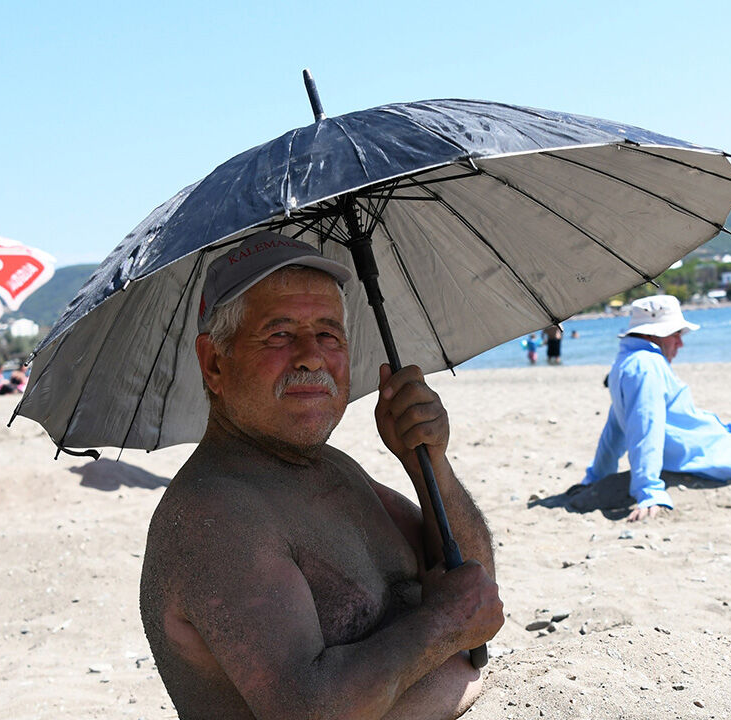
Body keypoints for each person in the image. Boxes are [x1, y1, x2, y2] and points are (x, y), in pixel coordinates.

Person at [140, 232, 503, 720]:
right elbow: (306, 709)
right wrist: (444, 624)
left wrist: (427, 464)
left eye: (329, 334)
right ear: (214, 363)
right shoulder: (214, 513)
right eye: (280, 334)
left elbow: (473, 578)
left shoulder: (329, 468)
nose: (312, 356)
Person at [577, 295, 731, 522]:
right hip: (715, 458)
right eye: (676, 334)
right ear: (653, 334)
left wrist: (597, 476)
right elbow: (646, 427)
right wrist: (648, 490)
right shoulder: (647, 366)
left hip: (709, 449)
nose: (681, 343)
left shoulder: (624, 362)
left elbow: (616, 426)